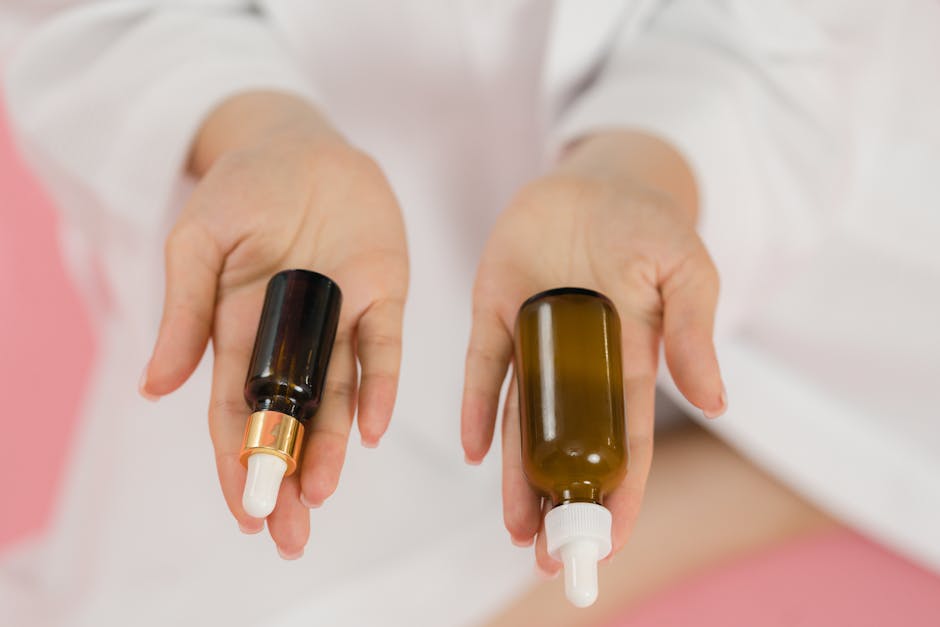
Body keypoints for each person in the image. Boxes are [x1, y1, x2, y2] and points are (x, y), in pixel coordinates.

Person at [2, 1, 939, 625]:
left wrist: (642, 163)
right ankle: (769, 464)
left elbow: (802, 28)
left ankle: (776, 461)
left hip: (755, 165)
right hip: (299, 209)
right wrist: (254, 128)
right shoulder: (278, 350)